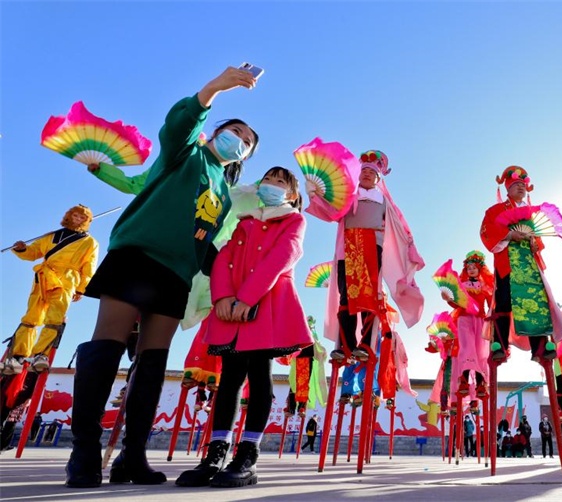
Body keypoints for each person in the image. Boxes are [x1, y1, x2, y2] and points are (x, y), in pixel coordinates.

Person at [65, 66, 261, 489]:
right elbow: (179, 127)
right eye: (236, 133)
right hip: (137, 256)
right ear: (212, 133)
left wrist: (240, 273)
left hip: (176, 274)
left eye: (247, 144)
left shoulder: (224, 194)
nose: (240, 143)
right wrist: (210, 91)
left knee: (152, 363)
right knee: (107, 346)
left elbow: (204, 242)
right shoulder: (186, 154)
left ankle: (131, 455)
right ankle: (83, 452)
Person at [176, 166, 312, 488]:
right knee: (229, 378)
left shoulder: (294, 220)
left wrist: (248, 298)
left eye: (281, 182)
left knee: (259, 374)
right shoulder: (244, 222)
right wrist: (222, 296)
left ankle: (247, 454)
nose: (272, 185)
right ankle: (215, 452)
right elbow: (223, 259)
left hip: (267, 303)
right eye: (268, 179)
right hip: (232, 305)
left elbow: (282, 257)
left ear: (292, 195)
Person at [308, 149, 424, 363]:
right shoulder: (348, 197)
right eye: (364, 171)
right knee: (346, 297)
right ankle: (344, 345)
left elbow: (401, 229)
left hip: (373, 249)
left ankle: (365, 345)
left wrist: (411, 251)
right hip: (347, 250)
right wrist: (315, 194)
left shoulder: (385, 202)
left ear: (379, 177)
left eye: (372, 172)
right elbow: (331, 212)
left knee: (370, 297)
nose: (367, 174)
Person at [479, 165, 562, 363]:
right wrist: (510, 234)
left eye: (523, 184)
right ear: (507, 188)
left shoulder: (531, 215)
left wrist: (533, 242)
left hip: (529, 266)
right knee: (504, 301)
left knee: (536, 302)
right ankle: (499, 347)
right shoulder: (495, 211)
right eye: (516, 184)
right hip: (508, 263)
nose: (520, 187)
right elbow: (486, 232)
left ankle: (540, 348)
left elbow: (538, 242)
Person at [4, 205, 98, 375]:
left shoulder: (90, 242)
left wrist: (81, 289)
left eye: (82, 218)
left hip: (67, 279)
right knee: (31, 316)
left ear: (87, 221)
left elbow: (89, 267)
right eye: (75, 215)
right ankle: (17, 356)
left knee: (54, 317)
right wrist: (22, 249)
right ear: (69, 216)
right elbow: (34, 252)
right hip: (44, 277)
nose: (78, 219)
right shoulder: (52, 235)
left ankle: (41, 355)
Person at [443, 251, 493, 399]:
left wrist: (493, 318)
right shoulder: (462, 285)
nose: (471, 270)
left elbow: (491, 303)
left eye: (474, 267)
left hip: (480, 320)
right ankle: (463, 380)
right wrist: (447, 298)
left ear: (479, 269)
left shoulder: (485, 285)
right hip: (464, 319)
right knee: (467, 347)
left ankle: (480, 383)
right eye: (469, 267)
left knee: (479, 351)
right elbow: (455, 303)